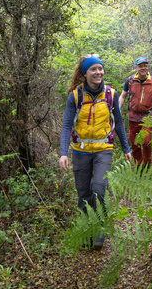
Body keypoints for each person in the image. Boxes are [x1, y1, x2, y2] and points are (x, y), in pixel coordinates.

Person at [59, 54, 132, 250]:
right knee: (83, 193)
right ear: (85, 74)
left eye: (100, 68)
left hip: (103, 150)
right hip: (80, 151)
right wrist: (63, 153)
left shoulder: (111, 94)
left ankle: (99, 226)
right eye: (93, 69)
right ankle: (86, 227)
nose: (98, 72)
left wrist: (126, 148)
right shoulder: (75, 96)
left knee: (99, 188)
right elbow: (67, 125)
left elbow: (119, 123)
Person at [119, 57, 152, 171]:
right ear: (136, 68)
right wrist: (116, 111)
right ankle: (138, 164)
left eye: (145, 65)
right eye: (140, 66)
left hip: (148, 116)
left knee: (146, 141)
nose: (143, 68)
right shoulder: (130, 81)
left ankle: (147, 162)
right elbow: (123, 96)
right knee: (134, 142)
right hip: (133, 115)